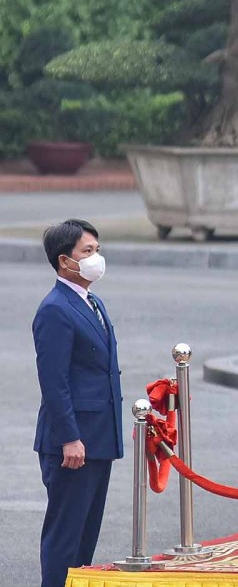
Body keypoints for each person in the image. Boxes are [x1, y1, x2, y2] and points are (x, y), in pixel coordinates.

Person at [33, 219, 122, 587]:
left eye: (97, 251)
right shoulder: (54, 308)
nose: (95, 258)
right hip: (73, 444)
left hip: (98, 438)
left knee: (85, 539)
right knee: (65, 538)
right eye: (87, 252)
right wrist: (69, 437)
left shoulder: (91, 301)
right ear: (64, 261)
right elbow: (55, 383)